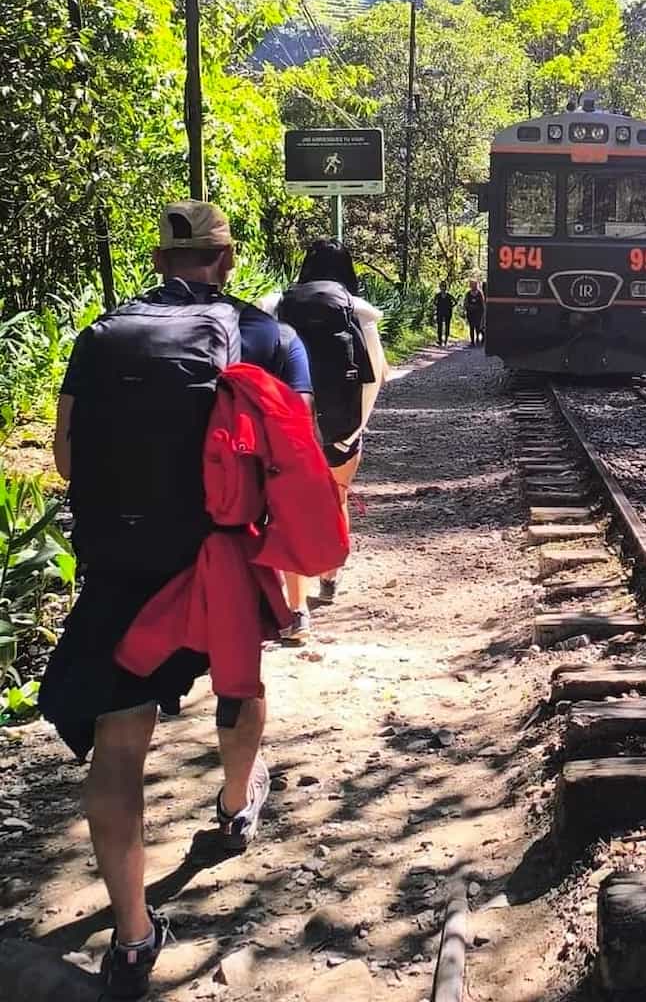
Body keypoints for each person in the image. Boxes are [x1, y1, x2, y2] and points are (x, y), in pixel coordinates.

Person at [40, 201, 315, 1001]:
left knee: (120, 742)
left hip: (125, 566)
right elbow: (294, 457)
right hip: (221, 561)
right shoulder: (270, 337)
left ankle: (132, 939)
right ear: (228, 259)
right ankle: (234, 807)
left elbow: (65, 459)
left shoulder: (102, 336)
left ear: (160, 260)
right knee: (238, 683)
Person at [278, 239, 387, 611]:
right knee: (336, 497)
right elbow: (374, 378)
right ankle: (328, 578)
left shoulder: (276, 305)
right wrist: (354, 431)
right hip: (341, 429)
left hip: (289, 429)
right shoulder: (359, 311)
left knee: (290, 508)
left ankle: (296, 605)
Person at [463, 279, 486, 346]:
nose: (473, 286)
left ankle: (478, 339)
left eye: (474, 284)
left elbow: (482, 304)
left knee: (478, 327)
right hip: (470, 313)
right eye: (472, 284)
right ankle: (472, 341)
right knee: (471, 327)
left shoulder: (479, 294)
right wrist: (467, 308)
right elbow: (465, 303)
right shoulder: (468, 294)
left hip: (478, 313)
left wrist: (482, 312)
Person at [433, 281, 454, 346]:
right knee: (439, 326)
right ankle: (440, 340)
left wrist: (450, 306)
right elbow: (434, 302)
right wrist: (438, 306)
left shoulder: (448, 295)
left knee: (447, 326)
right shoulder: (438, 295)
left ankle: (446, 340)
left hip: (447, 312)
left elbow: (455, 301)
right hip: (440, 312)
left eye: (444, 286)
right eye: (442, 286)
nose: (443, 288)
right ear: (440, 287)